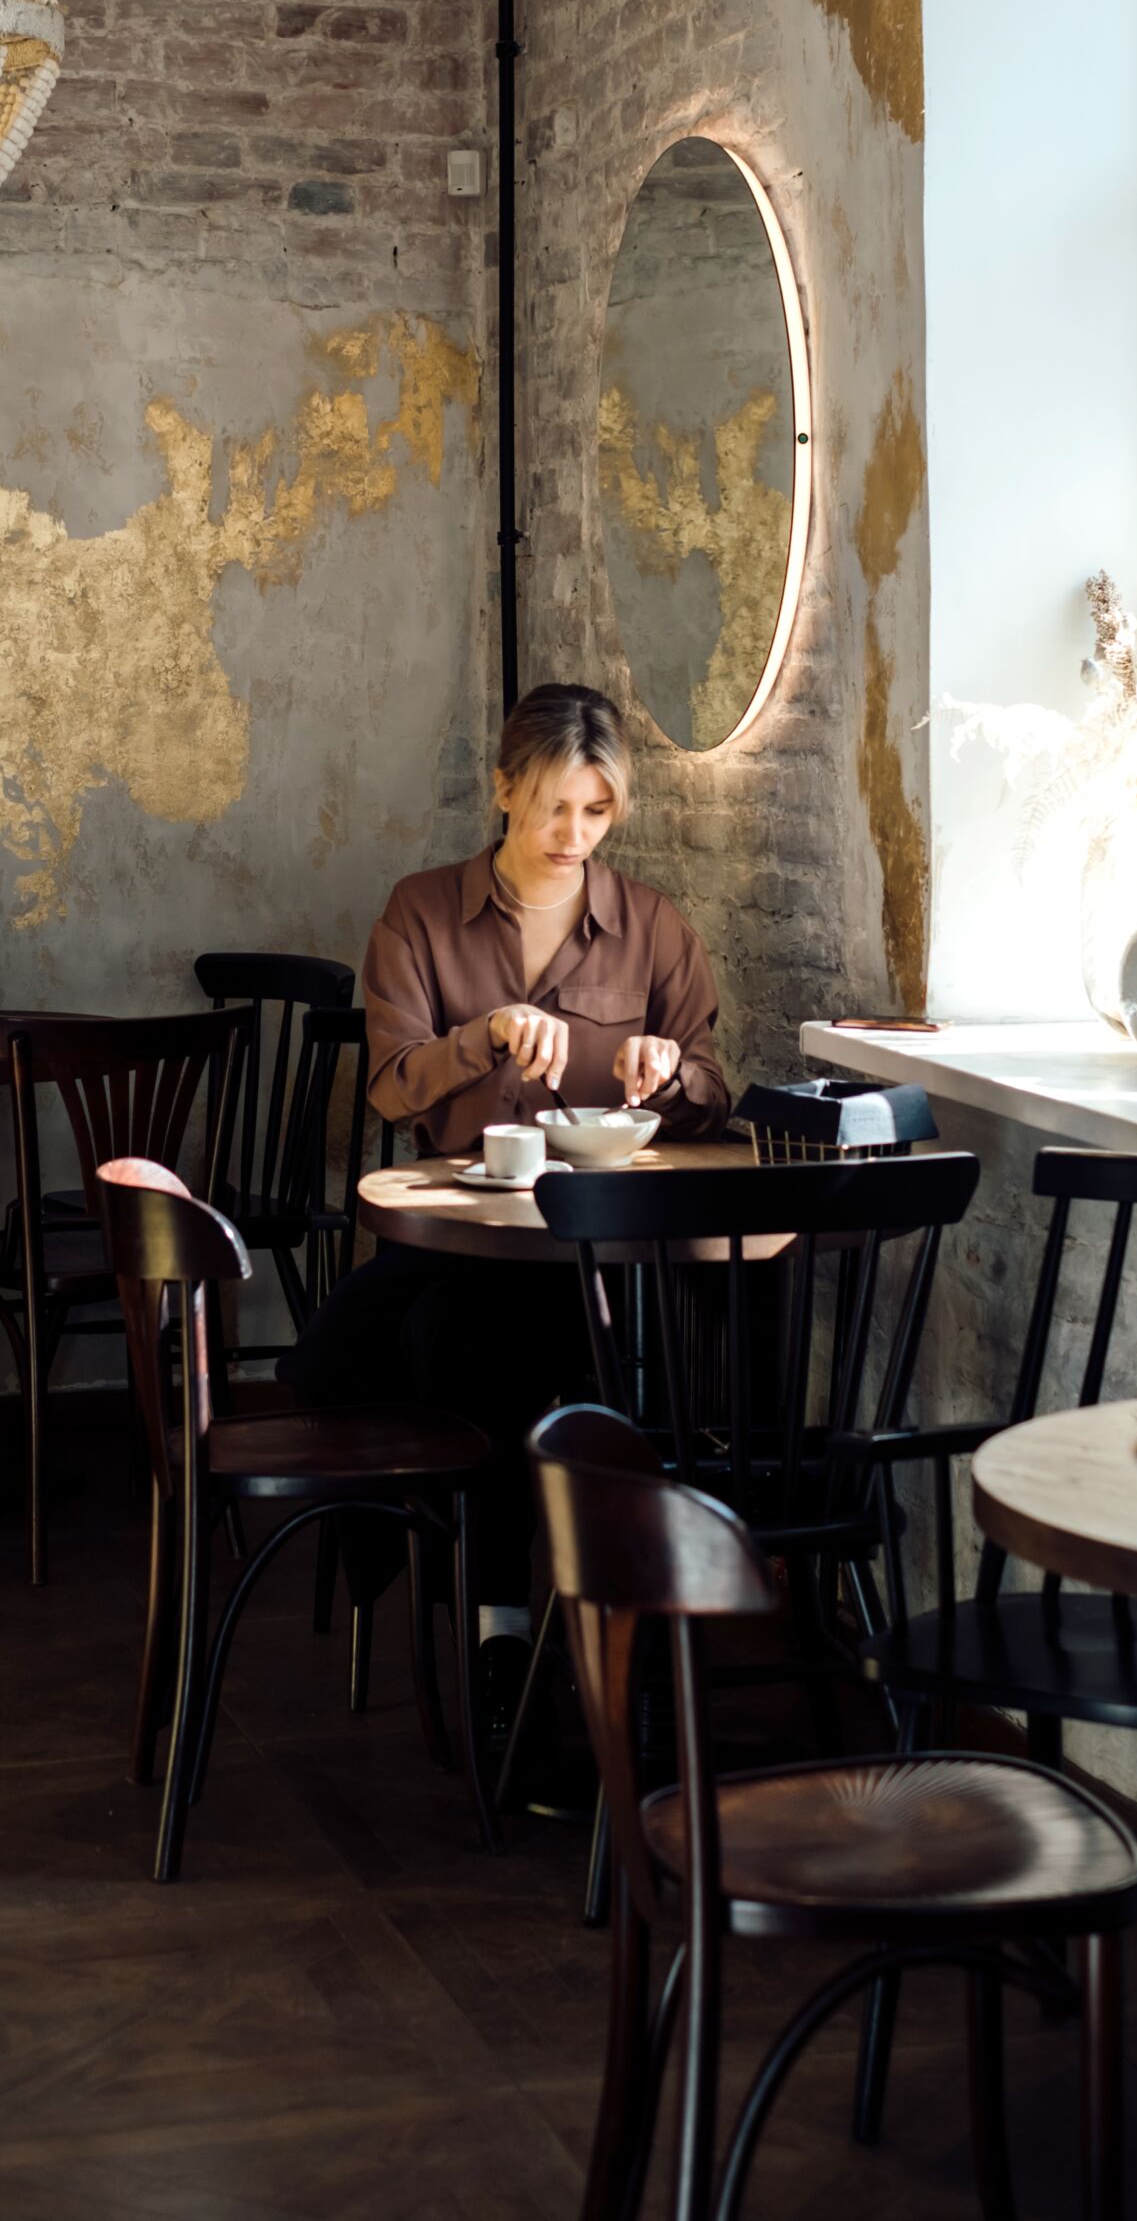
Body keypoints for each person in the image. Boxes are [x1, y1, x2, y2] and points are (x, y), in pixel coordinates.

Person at [284, 681, 730, 1750]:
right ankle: (515, 1637)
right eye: (551, 809)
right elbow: (392, 1088)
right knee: (395, 1341)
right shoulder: (421, 912)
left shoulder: (653, 927)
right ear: (501, 791)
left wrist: (668, 1069)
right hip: (463, 1238)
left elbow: (714, 1083)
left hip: (604, 1250)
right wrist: (480, 1037)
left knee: (485, 1345)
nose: (573, 836)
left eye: (596, 812)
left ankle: (512, 1635)